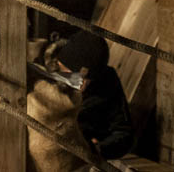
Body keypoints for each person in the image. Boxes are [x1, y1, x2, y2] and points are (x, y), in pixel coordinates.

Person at [55, 30, 133, 159]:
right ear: (60, 65)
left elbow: (124, 133)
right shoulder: (45, 79)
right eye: (75, 77)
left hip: (85, 157)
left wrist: (100, 148)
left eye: (88, 79)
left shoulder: (106, 80)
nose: (82, 85)